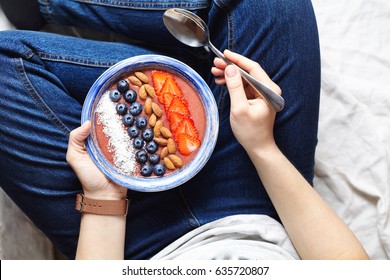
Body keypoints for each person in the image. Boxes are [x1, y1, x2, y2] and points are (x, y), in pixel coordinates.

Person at [0, 0, 367, 259]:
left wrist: (105, 196)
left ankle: (183, 65)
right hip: (261, 205)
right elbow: (344, 262)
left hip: (136, 244)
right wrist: (263, 148)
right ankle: (189, 64)